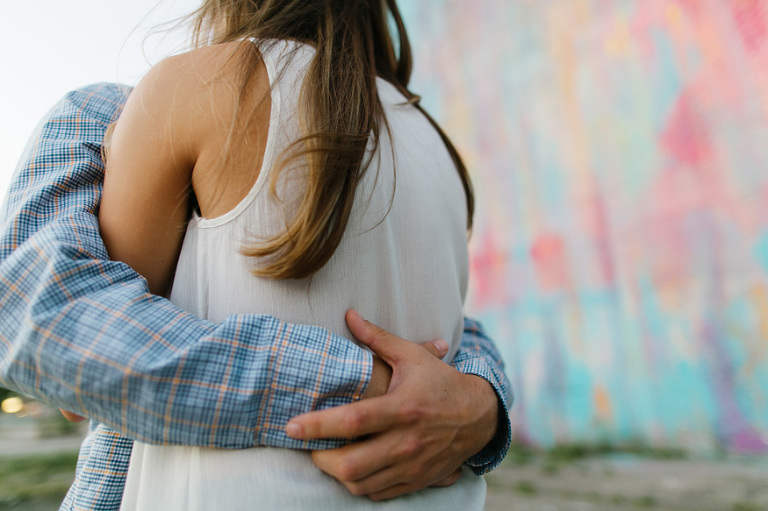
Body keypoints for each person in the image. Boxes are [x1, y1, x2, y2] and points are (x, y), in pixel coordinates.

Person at [0, 3, 511, 511]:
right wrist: (475, 401)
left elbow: (81, 373)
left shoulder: (193, 89)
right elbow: (453, 338)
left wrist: (366, 389)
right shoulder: (433, 139)